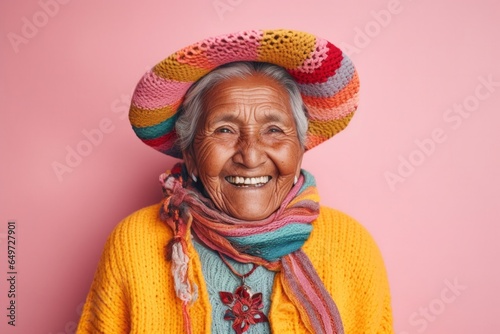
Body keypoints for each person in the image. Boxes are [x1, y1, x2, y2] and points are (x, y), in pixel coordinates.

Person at [77, 29, 393, 334]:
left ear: (299, 147)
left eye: (274, 130)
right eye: (225, 130)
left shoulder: (352, 248)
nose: (251, 156)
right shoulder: (135, 243)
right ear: (190, 153)